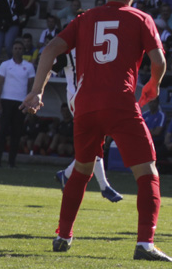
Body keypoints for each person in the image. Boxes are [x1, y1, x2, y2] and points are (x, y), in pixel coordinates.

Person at [22, 0, 172, 262]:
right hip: (120, 102)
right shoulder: (142, 18)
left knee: (81, 169)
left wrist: (37, 90)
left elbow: (50, 49)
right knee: (147, 173)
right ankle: (145, 243)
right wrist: (153, 85)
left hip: (86, 105)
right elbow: (158, 60)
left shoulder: (86, 18)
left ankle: (63, 234)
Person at [53, 43, 124, 203]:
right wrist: (38, 90)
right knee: (94, 141)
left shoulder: (95, 46)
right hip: (77, 100)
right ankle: (104, 186)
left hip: (96, 99)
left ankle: (66, 174)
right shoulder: (68, 50)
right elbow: (49, 69)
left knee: (93, 143)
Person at [0, 41, 35, 168]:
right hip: (6, 100)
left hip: (21, 102)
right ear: (12, 50)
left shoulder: (29, 66)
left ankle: (12, 161)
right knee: (3, 131)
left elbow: (31, 86)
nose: (17, 50)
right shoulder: (5, 65)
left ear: (23, 50)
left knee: (17, 132)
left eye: (20, 48)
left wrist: (29, 103)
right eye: (15, 48)